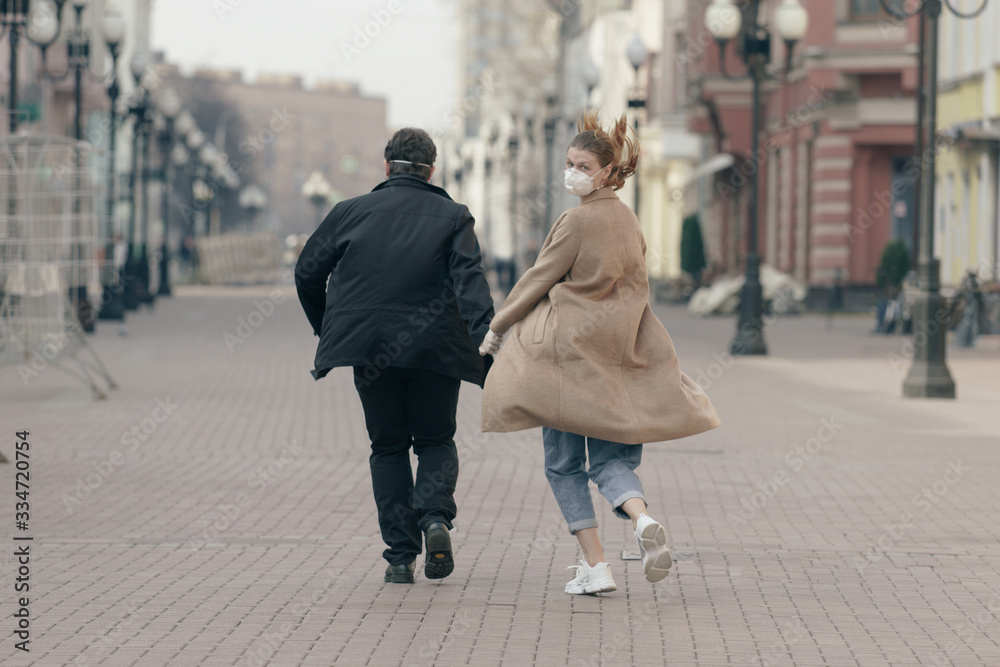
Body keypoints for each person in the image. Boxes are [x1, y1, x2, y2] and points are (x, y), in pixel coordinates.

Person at [479, 112, 721, 595]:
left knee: (563, 464)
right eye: (570, 163)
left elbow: (537, 280)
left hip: (567, 360)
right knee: (611, 463)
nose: (573, 172)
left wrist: (497, 327)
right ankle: (642, 517)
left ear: (608, 172)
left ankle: (597, 566)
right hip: (617, 358)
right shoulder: (629, 221)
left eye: (583, 165)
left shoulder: (576, 221)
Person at [295, 128, 495, 585]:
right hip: (437, 349)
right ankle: (436, 518)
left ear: (386, 168)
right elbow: (471, 284)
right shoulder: (453, 216)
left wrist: (327, 324)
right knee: (434, 439)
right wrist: (488, 340)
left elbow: (307, 271)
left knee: (387, 447)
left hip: (370, 349)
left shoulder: (349, 212)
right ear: (432, 170)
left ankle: (401, 556)